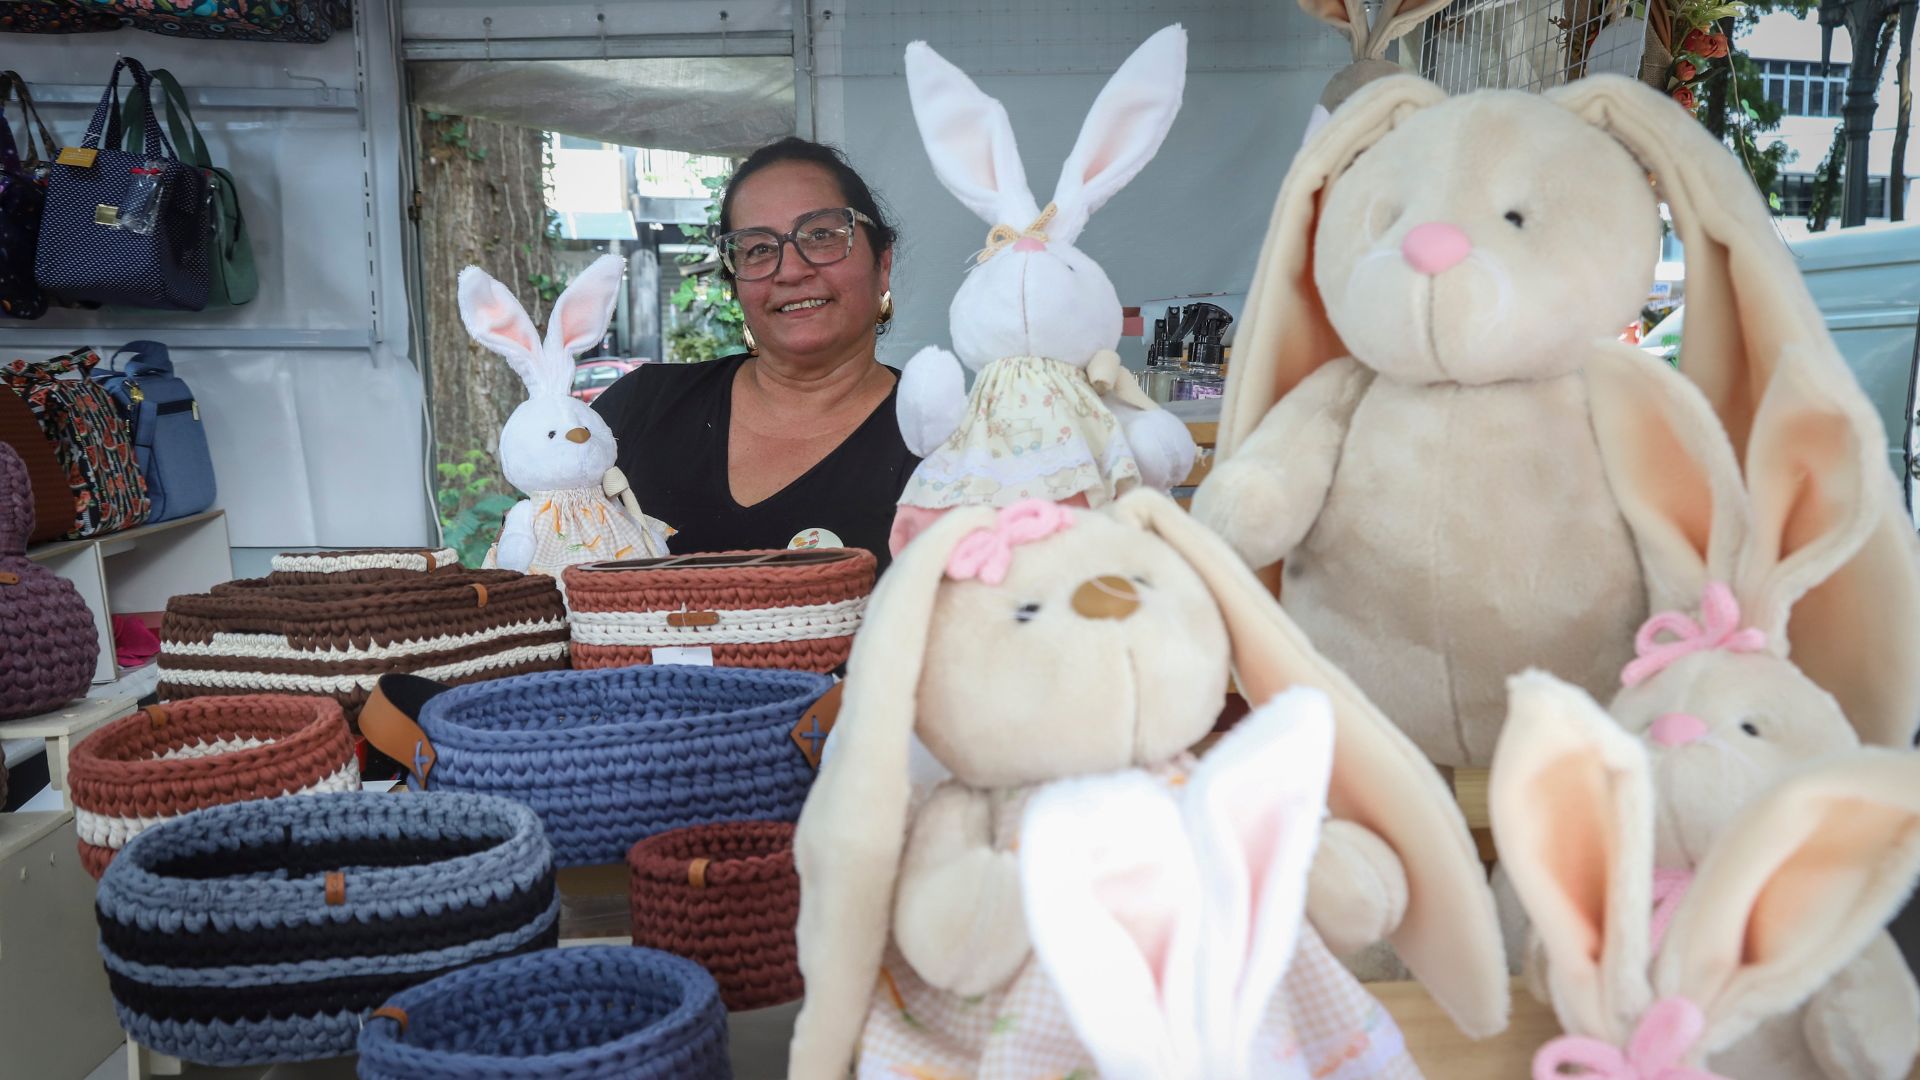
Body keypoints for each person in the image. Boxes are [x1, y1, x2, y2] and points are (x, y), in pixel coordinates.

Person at [593, 138, 917, 571]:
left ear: (883, 263)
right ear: (736, 282)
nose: (791, 270)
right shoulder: (640, 407)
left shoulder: (943, 437)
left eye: (821, 235)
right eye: (759, 248)